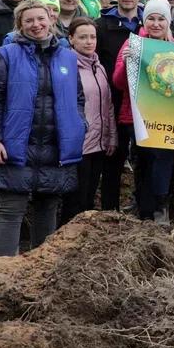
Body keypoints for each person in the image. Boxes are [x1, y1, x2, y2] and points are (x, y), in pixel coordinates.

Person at [0, 0, 84, 257]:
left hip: (54, 145)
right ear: (20, 24)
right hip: (15, 144)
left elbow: (78, 98)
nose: (36, 25)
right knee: (11, 209)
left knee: (47, 208)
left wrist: (79, 125)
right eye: (29, 20)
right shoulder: (6, 55)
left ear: (51, 19)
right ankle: (2, 271)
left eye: (41, 19)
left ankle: (39, 270)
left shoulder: (68, 58)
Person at [112, 0, 174, 225]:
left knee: (162, 159)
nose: (156, 23)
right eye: (151, 18)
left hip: (165, 117)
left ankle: (162, 207)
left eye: (161, 19)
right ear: (144, 20)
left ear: (168, 22)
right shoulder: (133, 44)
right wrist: (126, 63)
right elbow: (119, 83)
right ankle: (144, 209)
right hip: (136, 116)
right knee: (142, 160)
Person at [94, 0, 144, 212]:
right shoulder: (102, 25)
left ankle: (143, 207)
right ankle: (109, 211)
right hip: (113, 101)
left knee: (144, 158)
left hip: (146, 103)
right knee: (113, 157)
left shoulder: (150, 23)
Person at [60, 17, 117, 224]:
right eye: (83, 37)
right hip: (79, 146)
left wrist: (111, 136)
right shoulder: (66, 67)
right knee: (75, 200)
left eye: (92, 37)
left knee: (89, 197)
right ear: (71, 39)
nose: (89, 41)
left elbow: (108, 104)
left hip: (99, 144)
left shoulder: (99, 67)